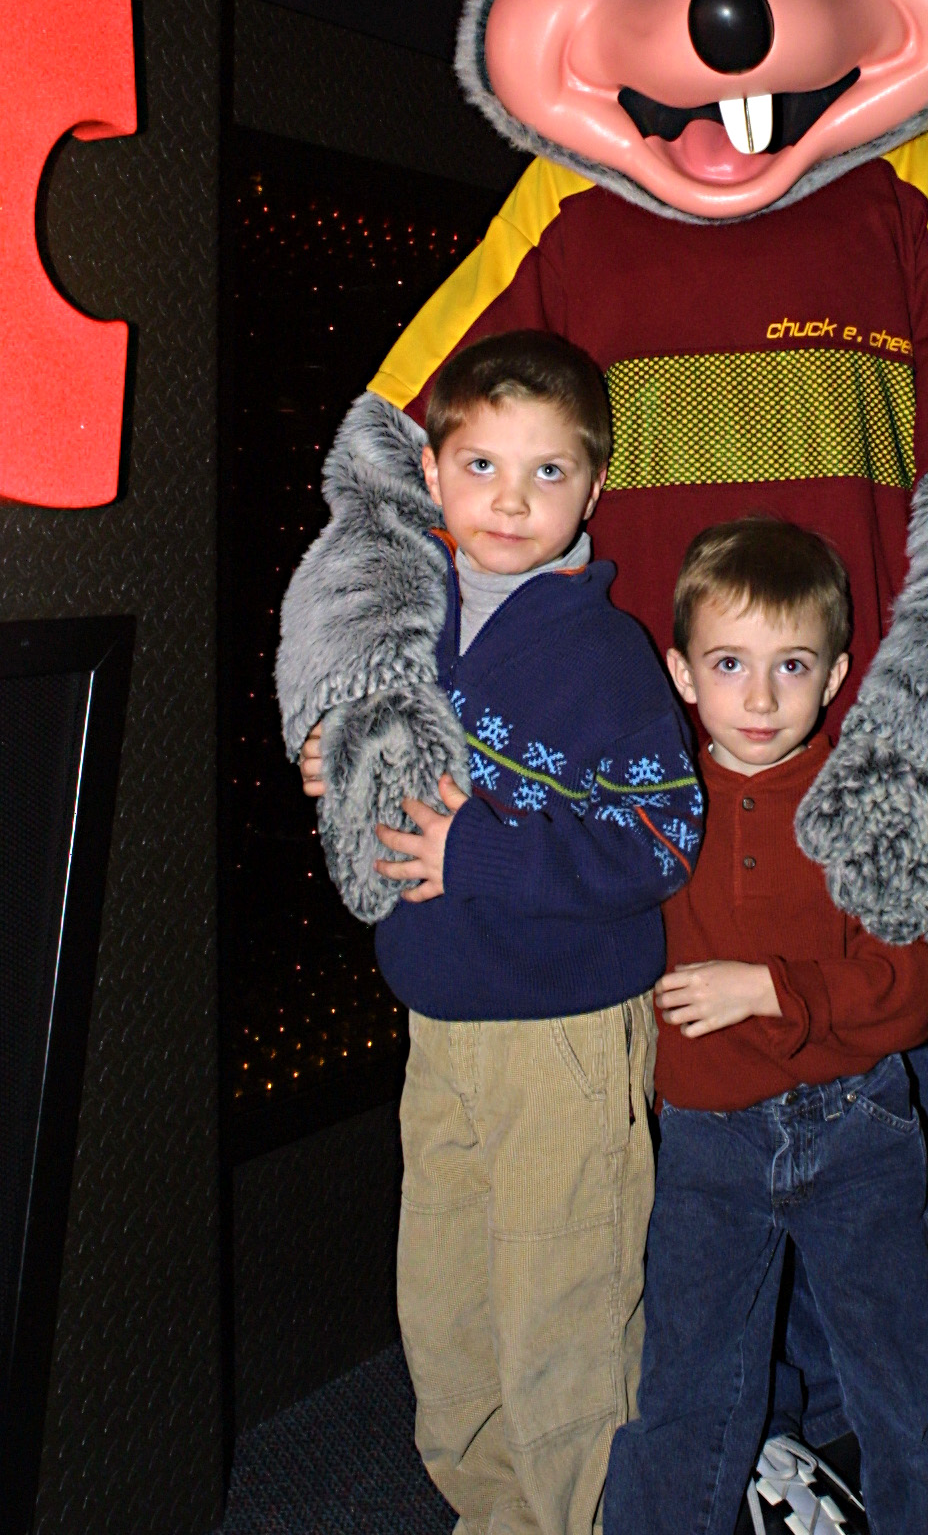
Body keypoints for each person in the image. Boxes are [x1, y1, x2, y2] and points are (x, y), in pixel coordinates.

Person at [304, 329, 703, 1535]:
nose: (512, 501)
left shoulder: (603, 652)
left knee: (565, 1313)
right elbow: (384, 765)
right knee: (450, 1305)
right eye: (482, 466)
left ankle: (589, 1519)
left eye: (547, 472)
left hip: (561, 1033)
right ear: (431, 473)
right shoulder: (411, 625)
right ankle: (495, 1517)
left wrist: (480, 852)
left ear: (594, 485)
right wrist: (342, 765)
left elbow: (661, 839)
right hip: (440, 1021)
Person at [605, 518, 928, 1535]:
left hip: (858, 1128)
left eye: (791, 666)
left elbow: (914, 985)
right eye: (730, 664)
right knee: (684, 1393)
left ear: (837, 673)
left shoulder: (872, 807)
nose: (759, 700)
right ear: (682, 673)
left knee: (899, 1391)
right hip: (708, 1139)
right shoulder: (656, 803)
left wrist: (768, 989)